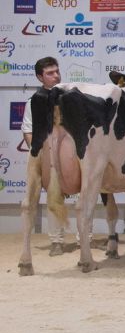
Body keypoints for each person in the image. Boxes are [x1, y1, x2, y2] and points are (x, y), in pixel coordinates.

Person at [21, 57, 71, 256]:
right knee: (53, 196)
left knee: (86, 193)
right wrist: (42, 155)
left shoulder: (70, 98)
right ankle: (56, 242)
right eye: (50, 73)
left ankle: (86, 238)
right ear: (40, 77)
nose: (56, 75)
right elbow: (28, 131)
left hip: (70, 155)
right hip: (44, 154)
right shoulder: (33, 101)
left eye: (57, 71)